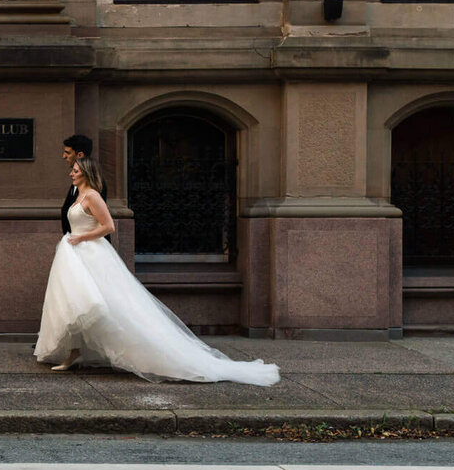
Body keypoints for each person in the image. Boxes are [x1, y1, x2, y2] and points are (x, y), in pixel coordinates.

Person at [36, 156, 279, 386]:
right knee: (76, 305)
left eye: (75, 171)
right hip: (76, 256)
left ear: (86, 173)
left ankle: (149, 351)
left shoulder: (92, 196)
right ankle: (75, 352)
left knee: (109, 305)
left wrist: (82, 237)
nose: (71, 173)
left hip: (91, 254)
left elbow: (108, 226)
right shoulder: (78, 194)